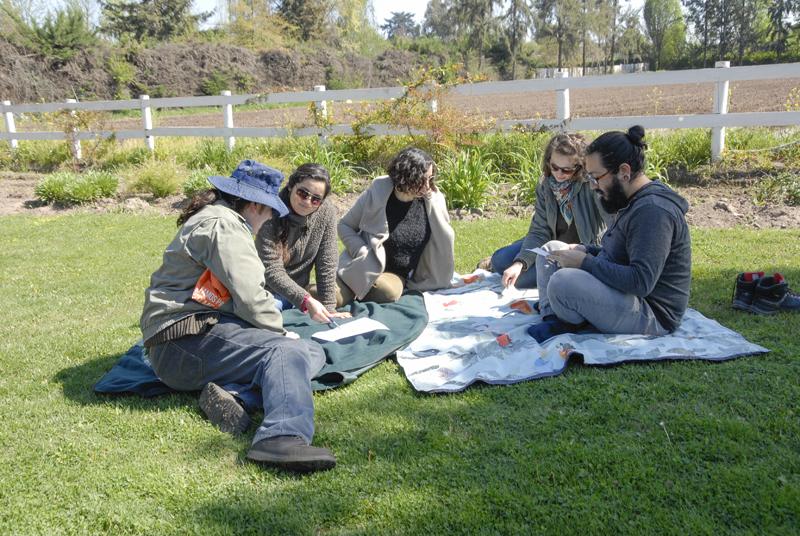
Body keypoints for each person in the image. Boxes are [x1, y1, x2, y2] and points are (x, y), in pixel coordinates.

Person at [140, 160, 336, 473]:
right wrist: (280, 334)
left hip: (191, 337)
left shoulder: (221, 219)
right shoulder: (226, 226)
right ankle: (281, 437)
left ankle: (237, 396)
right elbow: (251, 296)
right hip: (181, 342)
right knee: (289, 351)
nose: (272, 216)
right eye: (271, 209)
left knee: (311, 350)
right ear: (255, 205)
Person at [527, 126, 692, 342]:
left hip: (651, 314)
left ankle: (571, 316)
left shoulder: (653, 211)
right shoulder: (632, 199)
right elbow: (620, 254)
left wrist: (585, 262)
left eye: (596, 178)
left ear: (624, 172)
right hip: (626, 296)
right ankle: (555, 319)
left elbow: (640, 282)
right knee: (550, 250)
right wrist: (587, 250)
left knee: (562, 282)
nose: (593, 186)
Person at [337, 147, 455, 305]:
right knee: (326, 296)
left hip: (395, 275)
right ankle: (340, 292)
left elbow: (443, 243)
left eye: (430, 178)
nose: (428, 186)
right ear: (406, 177)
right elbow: (344, 225)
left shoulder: (433, 201)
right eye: (422, 180)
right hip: (363, 266)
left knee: (386, 291)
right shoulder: (377, 193)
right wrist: (361, 250)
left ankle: (353, 292)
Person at [489, 132, 607, 289]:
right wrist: (520, 263)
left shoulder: (591, 185)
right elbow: (539, 230)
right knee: (500, 260)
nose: (559, 174)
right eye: (555, 167)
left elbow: (612, 223)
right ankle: (519, 255)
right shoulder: (546, 185)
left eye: (567, 170)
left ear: (580, 167)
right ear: (548, 162)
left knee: (521, 280)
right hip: (547, 246)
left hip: (579, 251)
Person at [255, 163, 350, 323]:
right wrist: (305, 300)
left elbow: (326, 263)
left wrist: (329, 309)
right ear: (291, 186)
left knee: (335, 300)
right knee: (264, 314)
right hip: (267, 291)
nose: (307, 201)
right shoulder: (269, 213)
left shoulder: (326, 212)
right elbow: (272, 271)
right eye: (303, 193)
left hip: (300, 292)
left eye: (316, 199)